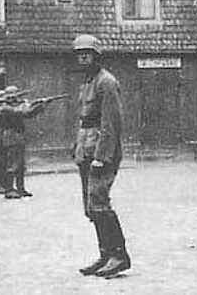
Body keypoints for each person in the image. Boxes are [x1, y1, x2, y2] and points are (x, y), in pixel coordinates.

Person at [72, 34, 131, 278]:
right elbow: (84, 120)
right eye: (80, 54)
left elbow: (111, 122)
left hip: (101, 152)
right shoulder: (87, 82)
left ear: (97, 57)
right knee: (91, 207)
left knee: (99, 202)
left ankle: (119, 256)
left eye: (88, 54)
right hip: (86, 149)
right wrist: (78, 148)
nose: (83, 58)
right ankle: (105, 255)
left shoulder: (106, 82)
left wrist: (102, 156)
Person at [0, 86, 45, 199]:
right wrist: (35, 105)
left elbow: (28, 114)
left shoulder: (12, 106)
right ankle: (9, 190)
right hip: (11, 136)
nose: (17, 99)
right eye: (15, 97)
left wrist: (40, 106)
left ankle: (20, 189)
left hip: (18, 136)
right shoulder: (5, 107)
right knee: (12, 165)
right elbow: (23, 112)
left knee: (20, 165)